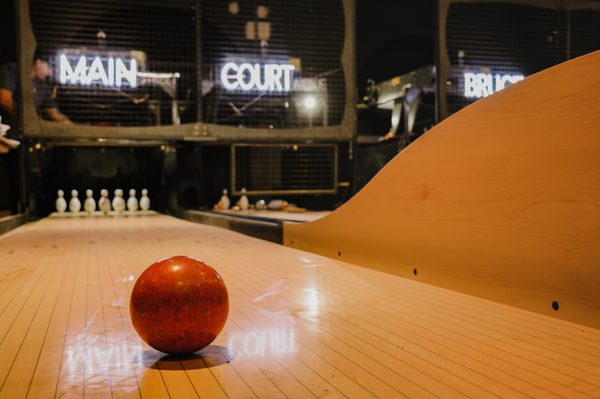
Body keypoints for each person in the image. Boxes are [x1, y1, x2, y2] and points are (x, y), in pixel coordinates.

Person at [0, 57, 71, 123]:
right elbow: (4, 99)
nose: (50, 73)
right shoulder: (11, 69)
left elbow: (54, 114)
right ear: (38, 62)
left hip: (27, 130)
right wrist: (30, 119)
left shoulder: (43, 86)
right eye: (50, 68)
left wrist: (72, 127)